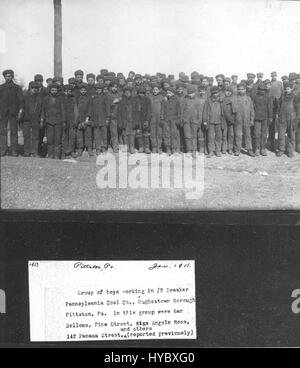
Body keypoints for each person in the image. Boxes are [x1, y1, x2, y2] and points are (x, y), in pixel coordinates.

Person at [0, 69, 24, 156]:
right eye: (6, 76)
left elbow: (21, 101)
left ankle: (14, 150)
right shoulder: (1, 87)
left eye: (9, 76)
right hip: (3, 113)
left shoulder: (17, 88)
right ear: (4, 77)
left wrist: (20, 112)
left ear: (12, 77)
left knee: (14, 132)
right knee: (3, 132)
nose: (8, 78)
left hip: (14, 113)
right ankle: (3, 150)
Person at [41, 83, 65, 159]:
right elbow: (43, 110)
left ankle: (57, 155)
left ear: (57, 91)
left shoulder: (60, 98)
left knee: (57, 139)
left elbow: (63, 110)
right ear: (50, 90)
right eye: (52, 90)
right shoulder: (46, 98)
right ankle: (50, 154)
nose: (54, 91)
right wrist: (42, 119)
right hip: (49, 121)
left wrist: (63, 121)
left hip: (58, 121)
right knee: (50, 139)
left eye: (55, 90)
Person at [182, 85, 206, 157]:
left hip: (195, 121)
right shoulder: (185, 100)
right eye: (189, 93)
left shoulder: (198, 101)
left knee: (194, 136)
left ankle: (194, 150)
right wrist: (182, 119)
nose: (190, 94)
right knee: (187, 136)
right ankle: (189, 150)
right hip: (186, 121)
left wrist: (199, 121)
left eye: (192, 93)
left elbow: (200, 112)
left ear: (195, 93)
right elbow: (182, 111)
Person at [276, 82, 298, 158]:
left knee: (291, 136)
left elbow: (298, 109)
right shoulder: (282, 97)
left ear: (291, 89)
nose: (286, 90)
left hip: (292, 119)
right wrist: (278, 116)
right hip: (282, 118)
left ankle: (290, 151)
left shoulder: (295, 97)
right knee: (281, 135)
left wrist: (296, 120)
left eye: (288, 89)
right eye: (285, 89)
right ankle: (281, 149)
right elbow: (278, 107)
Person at [22, 81, 43, 157]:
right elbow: (22, 108)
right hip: (26, 119)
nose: (34, 90)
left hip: (36, 119)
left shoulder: (39, 98)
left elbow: (42, 110)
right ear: (29, 88)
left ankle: (35, 152)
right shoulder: (25, 97)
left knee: (35, 136)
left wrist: (41, 119)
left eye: (36, 88)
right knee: (26, 136)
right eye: (33, 88)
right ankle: (26, 151)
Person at [252, 83, 273, 156]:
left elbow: (270, 108)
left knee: (264, 134)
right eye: (260, 90)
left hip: (265, 118)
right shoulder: (254, 97)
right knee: (257, 134)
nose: (262, 91)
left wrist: (270, 117)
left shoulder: (268, 97)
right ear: (258, 90)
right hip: (256, 118)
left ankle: (263, 148)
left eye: (263, 90)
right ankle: (257, 148)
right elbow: (252, 108)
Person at [235, 83, 255, 156]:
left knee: (247, 135)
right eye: (239, 89)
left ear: (245, 90)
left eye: (242, 89)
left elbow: (252, 109)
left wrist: (252, 119)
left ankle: (249, 149)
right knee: (238, 135)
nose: (240, 91)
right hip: (238, 120)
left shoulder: (248, 98)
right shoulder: (235, 98)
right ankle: (238, 149)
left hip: (247, 119)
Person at [203, 86, 224, 158]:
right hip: (210, 121)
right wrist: (205, 121)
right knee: (210, 137)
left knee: (219, 137)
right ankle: (211, 151)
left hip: (219, 121)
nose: (215, 94)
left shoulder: (221, 100)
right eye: (214, 93)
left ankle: (218, 151)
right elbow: (205, 111)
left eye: (217, 93)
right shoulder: (208, 101)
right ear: (211, 93)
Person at [117, 86, 139, 154]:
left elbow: (137, 113)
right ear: (124, 93)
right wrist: (120, 123)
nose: (127, 93)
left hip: (132, 120)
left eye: (129, 92)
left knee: (132, 134)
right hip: (124, 121)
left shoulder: (135, 101)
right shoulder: (121, 102)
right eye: (126, 92)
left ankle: (132, 147)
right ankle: (127, 147)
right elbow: (119, 113)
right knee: (125, 134)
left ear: (131, 93)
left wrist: (136, 121)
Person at [90, 83, 110, 155]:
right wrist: (91, 118)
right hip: (95, 119)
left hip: (103, 118)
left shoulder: (105, 97)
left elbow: (107, 108)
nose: (98, 90)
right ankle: (98, 148)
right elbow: (91, 108)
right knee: (96, 134)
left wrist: (107, 118)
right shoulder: (93, 98)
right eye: (97, 89)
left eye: (100, 89)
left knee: (104, 133)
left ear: (102, 90)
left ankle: (104, 146)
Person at [161, 86, 181, 155]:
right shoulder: (164, 101)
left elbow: (179, 111)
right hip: (166, 119)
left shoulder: (176, 100)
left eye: (169, 93)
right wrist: (162, 118)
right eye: (167, 93)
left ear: (173, 93)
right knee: (166, 134)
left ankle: (174, 148)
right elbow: (162, 110)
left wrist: (178, 119)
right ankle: (168, 148)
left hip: (174, 120)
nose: (168, 94)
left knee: (174, 134)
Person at [62, 84, 78, 159]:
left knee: (72, 136)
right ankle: (64, 151)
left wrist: (75, 120)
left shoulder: (73, 99)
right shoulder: (61, 99)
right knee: (64, 136)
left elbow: (76, 111)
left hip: (71, 120)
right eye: (66, 91)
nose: (67, 93)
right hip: (63, 120)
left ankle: (71, 151)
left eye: (69, 91)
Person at [76, 83, 92, 156]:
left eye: (84, 90)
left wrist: (87, 118)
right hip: (79, 118)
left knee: (88, 134)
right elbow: (75, 109)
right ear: (79, 90)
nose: (83, 91)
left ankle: (89, 148)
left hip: (86, 118)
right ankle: (80, 148)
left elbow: (90, 108)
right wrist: (78, 119)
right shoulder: (77, 98)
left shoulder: (88, 98)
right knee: (79, 134)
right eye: (81, 90)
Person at [135, 86, 152, 153]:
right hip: (138, 119)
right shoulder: (135, 100)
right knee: (138, 133)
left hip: (145, 119)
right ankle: (141, 147)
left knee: (146, 133)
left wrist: (147, 120)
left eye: (143, 93)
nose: (141, 94)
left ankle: (147, 147)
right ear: (138, 93)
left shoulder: (147, 99)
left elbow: (149, 110)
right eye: (140, 93)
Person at [269, 71, 283, 151]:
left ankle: (280, 145)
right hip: (272, 106)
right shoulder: (269, 84)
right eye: (272, 76)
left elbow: (283, 93)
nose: (274, 77)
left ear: (276, 76)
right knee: (272, 126)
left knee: (279, 126)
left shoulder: (280, 83)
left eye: (275, 76)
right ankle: (272, 143)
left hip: (279, 106)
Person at [106, 81, 122, 153]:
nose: (114, 88)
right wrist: (113, 102)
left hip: (119, 116)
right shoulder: (108, 96)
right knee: (114, 132)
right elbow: (107, 107)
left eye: (116, 87)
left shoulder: (119, 95)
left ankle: (119, 146)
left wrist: (120, 99)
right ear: (110, 88)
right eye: (113, 87)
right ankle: (115, 146)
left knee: (120, 132)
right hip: (112, 117)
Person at [221, 86, 237, 155]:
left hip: (231, 119)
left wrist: (232, 118)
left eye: (229, 92)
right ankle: (224, 148)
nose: (228, 93)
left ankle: (230, 148)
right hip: (223, 119)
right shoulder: (221, 99)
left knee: (231, 134)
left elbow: (235, 110)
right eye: (227, 91)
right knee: (224, 134)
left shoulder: (233, 99)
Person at [149, 84, 164, 153]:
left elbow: (163, 107)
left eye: (156, 90)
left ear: (159, 90)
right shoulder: (149, 97)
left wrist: (162, 116)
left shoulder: (161, 97)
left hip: (159, 117)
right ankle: (154, 147)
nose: (155, 91)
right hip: (152, 117)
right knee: (152, 132)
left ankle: (159, 147)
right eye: (154, 90)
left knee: (159, 132)